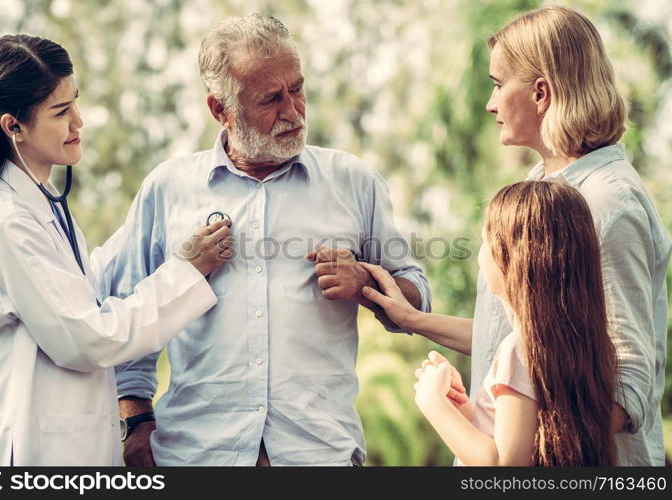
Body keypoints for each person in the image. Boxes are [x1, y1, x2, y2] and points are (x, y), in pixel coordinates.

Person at [107, 14, 444, 466]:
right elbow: (126, 315)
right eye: (270, 99)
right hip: (194, 456)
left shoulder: (354, 181)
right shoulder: (166, 189)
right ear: (219, 109)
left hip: (320, 455)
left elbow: (417, 298)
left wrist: (365, 281)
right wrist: (137, 421)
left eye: (298, 89)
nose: (292, 110)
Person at [361, 6, 671, 465]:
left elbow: (629, 382)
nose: (490, 103)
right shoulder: (546, 188)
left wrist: (516, 456)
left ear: (541, 93)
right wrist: (413, 320)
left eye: (498, 83)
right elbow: (532, 337)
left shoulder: (606, 202)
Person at [0, 35, 232, 465]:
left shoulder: (41, 201)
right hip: (31, 456)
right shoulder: (8, 221)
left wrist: (164, 239)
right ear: (12, 126)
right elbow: (87, 338)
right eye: (60, 112)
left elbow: (79, 285)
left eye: (75, 102)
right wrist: (186, 270)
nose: (79, 121)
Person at [375, 181, 618, 465]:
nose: (480, 254)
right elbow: (530, 445)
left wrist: (433, 402)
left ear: (513, 258)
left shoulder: (519, 348)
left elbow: (503, 465)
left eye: (485, 241)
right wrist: (465, 410)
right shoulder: (588, 343)